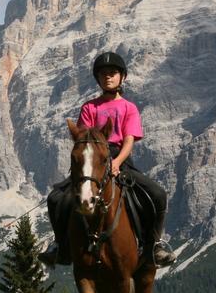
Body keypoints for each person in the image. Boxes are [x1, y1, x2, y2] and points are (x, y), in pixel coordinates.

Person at [39, 51, 176, 268]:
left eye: (112, 73)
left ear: (122, 77)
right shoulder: (89, 107)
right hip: (93, 161)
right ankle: (60, 246)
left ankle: (154, 245)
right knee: (55, 198)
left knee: (157, 195)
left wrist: (117, 162)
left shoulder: (129, 108)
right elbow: (84, 139)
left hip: (120, 159)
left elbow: (129, 140)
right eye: (103, 74)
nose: (108, 77)